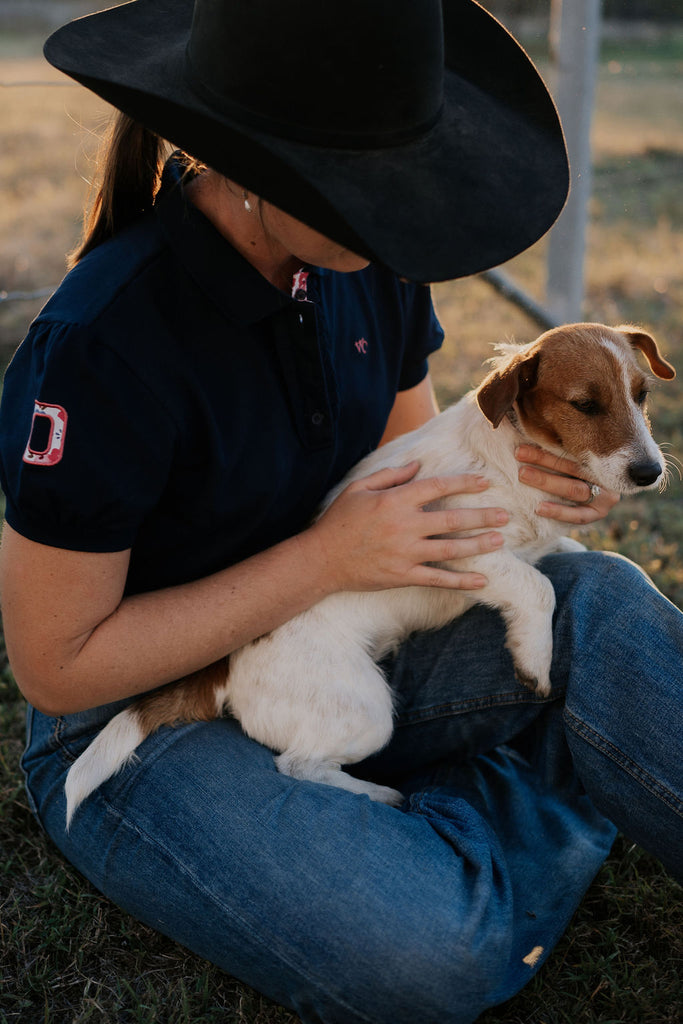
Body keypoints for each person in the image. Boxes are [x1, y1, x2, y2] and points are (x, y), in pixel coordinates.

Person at [0, 2, 681, 1022]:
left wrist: (523, 490)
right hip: (155, 713)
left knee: (602, 602)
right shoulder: (103, 345)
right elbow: (57, 664)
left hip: (348, 640)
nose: (402, 211)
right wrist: (325, 559)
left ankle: (485, 799)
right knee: (428, 954)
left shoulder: (366, 263)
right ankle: (537, 789)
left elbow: (410, 475)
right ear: (252, 163)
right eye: (367, 184)